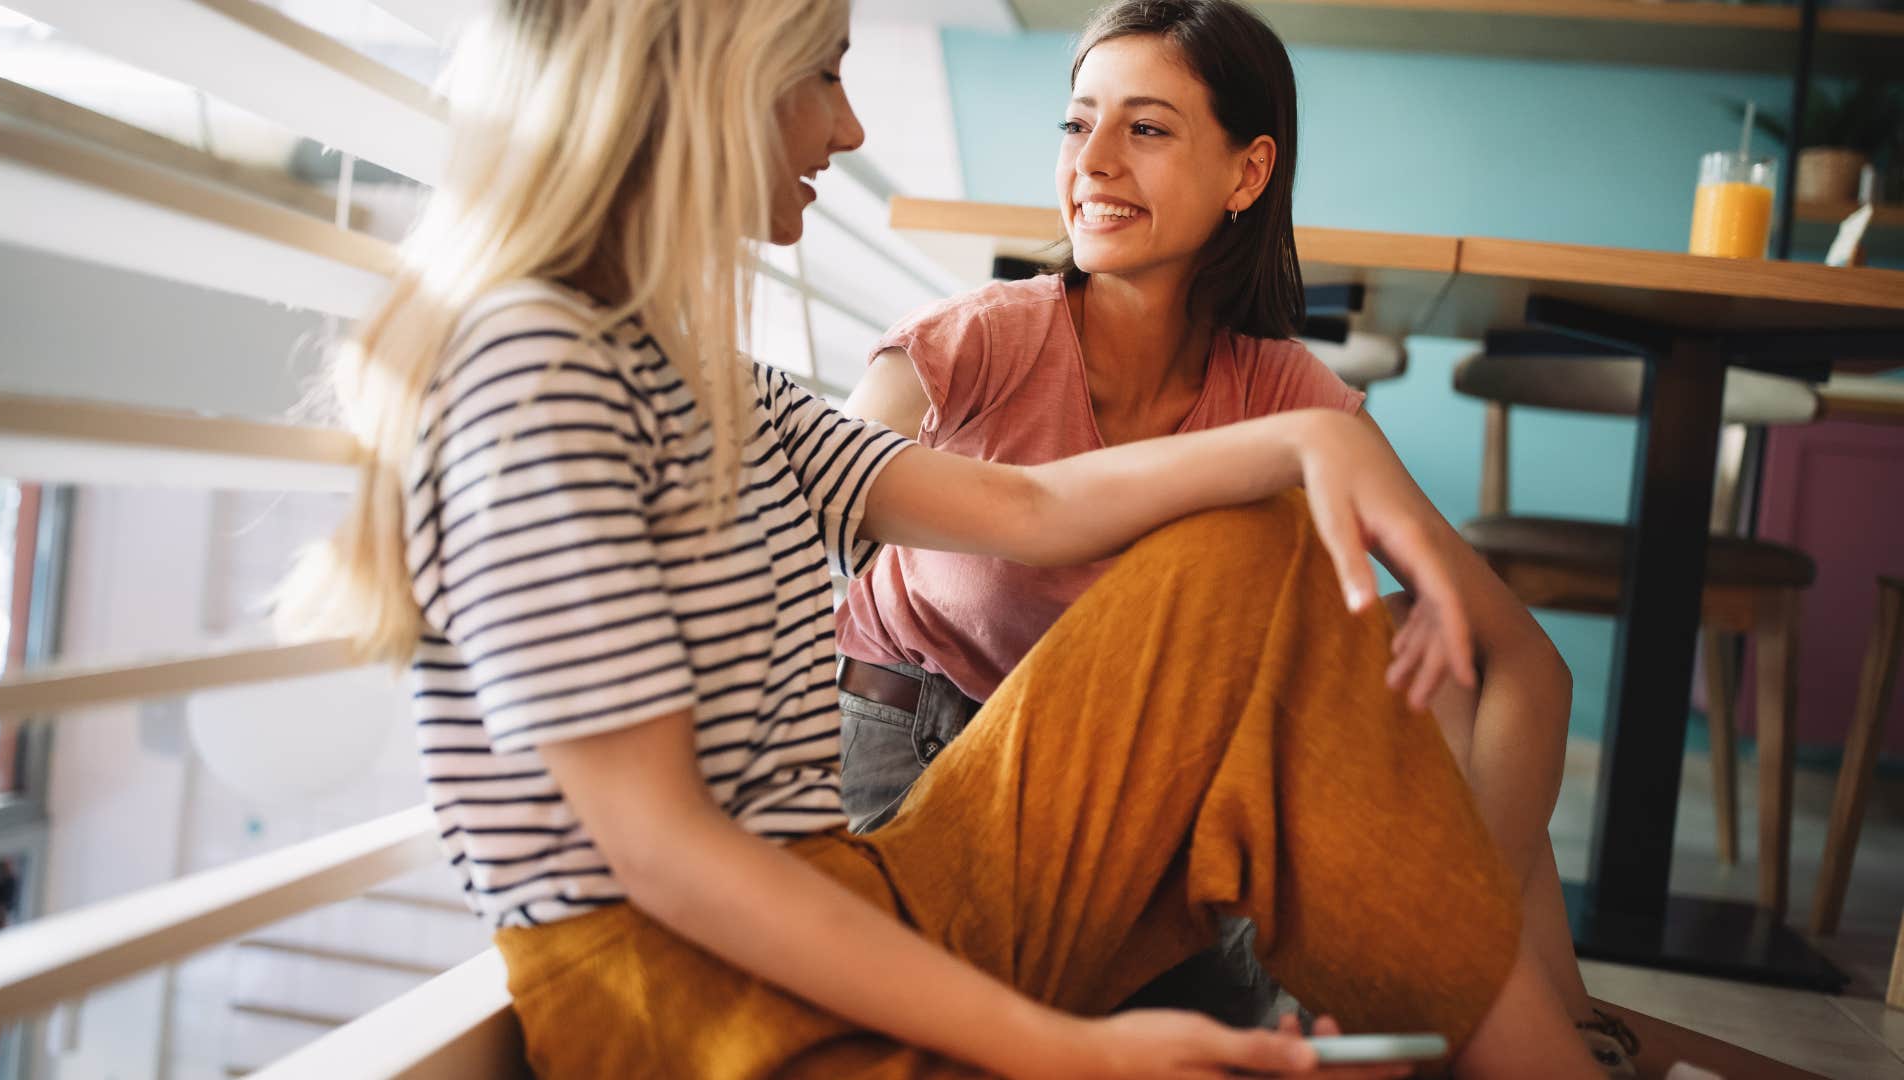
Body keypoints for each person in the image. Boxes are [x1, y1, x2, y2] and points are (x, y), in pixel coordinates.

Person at [279, 0, 1598, 1075]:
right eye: (825, 72)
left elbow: (1030, 509)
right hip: (695, 1007)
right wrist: (1063, 1051)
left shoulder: (702, 377)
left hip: (863, 889)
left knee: (1255, 559)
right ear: (707, 76)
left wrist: (1319, 444)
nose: (850, 127)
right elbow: (665, 855)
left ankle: (1502, 1044)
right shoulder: (531, 365)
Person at [835, 2, 1641, 1072]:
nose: (1095, 163)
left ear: (1247, 174)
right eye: (1078, 126)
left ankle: (1503, 1017)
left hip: (1144, 829)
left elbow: (1521, 661)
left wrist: (1451, 923)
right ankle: (1527, 1031)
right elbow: (789, 537)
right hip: (928, 784)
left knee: (1419, 659)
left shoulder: (1282, 392)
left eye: (1148, 129)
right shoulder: (975, 345)